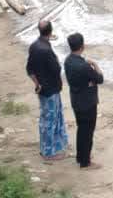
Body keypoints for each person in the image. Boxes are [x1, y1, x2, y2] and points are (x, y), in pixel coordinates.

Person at [26, 19, 69, 161]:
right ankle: (49, 152)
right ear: (50, 32)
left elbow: (30, 70)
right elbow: (56, 69)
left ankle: (51, 146)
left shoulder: (34, 46)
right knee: (51, 119)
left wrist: (37, 84)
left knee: (47, 119)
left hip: (42, 88)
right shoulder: (46, 50)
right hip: (51, 89)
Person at [63, 32, 104, 170]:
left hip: (76, 100)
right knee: (88, 132)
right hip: (87, 102)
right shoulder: (84, 66)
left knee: (81, 130)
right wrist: (95, 65)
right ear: (82, 46)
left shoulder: (68, 61)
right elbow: (100, 78)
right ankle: (85, 162)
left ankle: (81, 156)